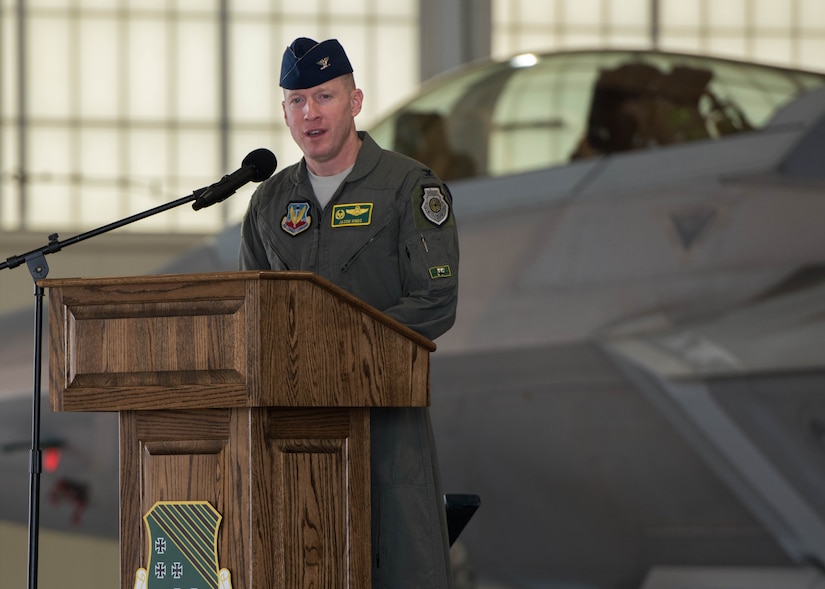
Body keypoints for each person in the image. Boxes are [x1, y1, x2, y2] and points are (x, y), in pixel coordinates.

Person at [238, 37, 459, 588]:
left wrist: (337, 350)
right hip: (290, 431)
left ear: (355, 102)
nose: (310, 112)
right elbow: (249, 312)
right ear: (284, 112)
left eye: (324, 96)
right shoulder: (267, 201)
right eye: (296, 100)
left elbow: (435, 302)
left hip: (384, 417)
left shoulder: (409, 187)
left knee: (397, 563)